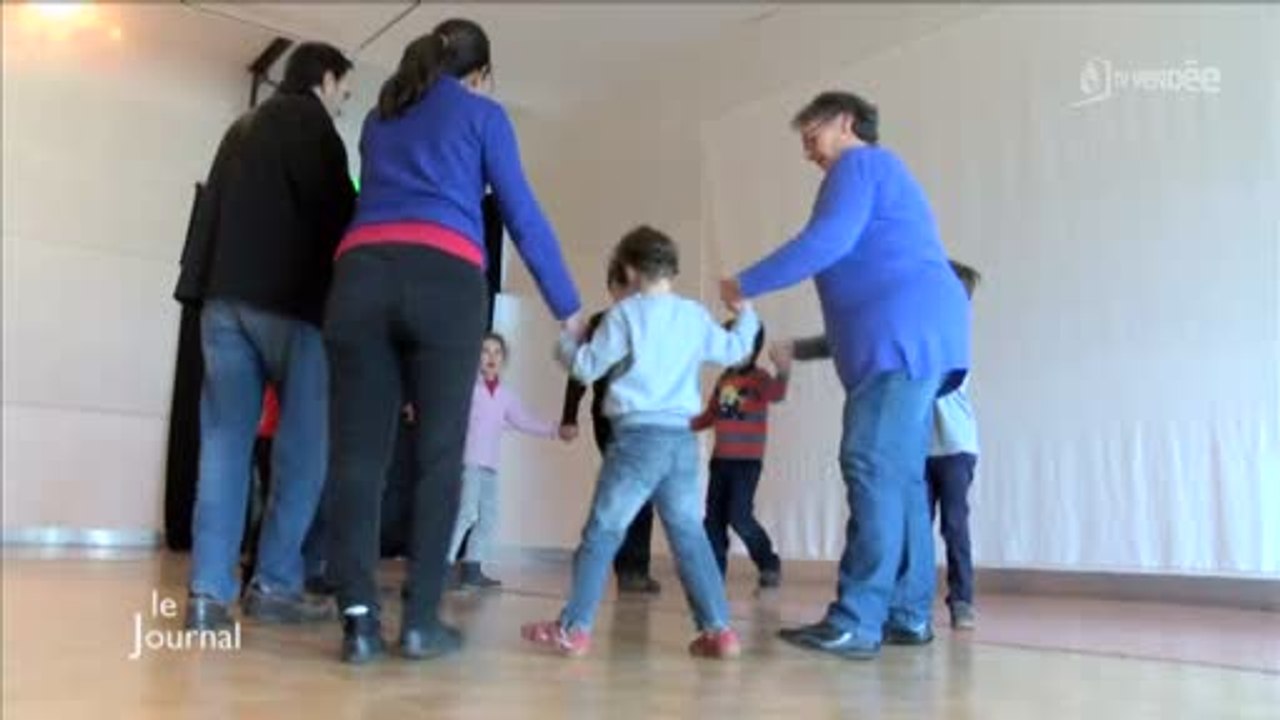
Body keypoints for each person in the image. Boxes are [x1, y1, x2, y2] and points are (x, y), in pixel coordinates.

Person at [323, 19, 583, 665]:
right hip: (445, 280)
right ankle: (419, 622)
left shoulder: (381, 118)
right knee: (443, 457)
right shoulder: (484, 113)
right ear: (482, 73)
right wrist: (568, 307)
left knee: (357, 457)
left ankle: (357, 622)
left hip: (359, 277)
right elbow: (520, 210)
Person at [721, 91, 970, 660]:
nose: (807, 147)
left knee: (872, 464)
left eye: (813, 131)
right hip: (919, 339)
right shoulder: (881, 174)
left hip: (902, 341)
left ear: (847, 122)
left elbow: (824, 243)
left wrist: (744, 284)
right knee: (902, 477)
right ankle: (907, 615)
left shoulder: (860, 164)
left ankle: (857, 619)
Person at [180, 42, 356, 632]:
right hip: (293, 309)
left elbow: (207, 215)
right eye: (344, 91)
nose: (343, 102)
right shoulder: (316, 130)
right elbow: (340, 223)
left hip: (222, 304)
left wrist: (197, 291)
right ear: (326, 80)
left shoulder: (240, 129)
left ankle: (207, 597)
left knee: (224, 448)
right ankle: (275, 584)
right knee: (303, 453)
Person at [522, 226, 755, 659]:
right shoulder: (693, 315)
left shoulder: (624, 315)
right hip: (682, 442)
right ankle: (718, 630)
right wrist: (745, 310)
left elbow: (587, 367)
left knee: (602, 532)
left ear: (627, 270)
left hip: (637, 440)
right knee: (689, 534)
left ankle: (574, 628)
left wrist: (565, 343)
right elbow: (737, 348)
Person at [560, 259, 662, 595]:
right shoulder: (601, 323)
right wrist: (569, 416)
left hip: (644, 421)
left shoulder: (651, 324)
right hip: (611, 421)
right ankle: (607, 561)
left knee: (637, 492)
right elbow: (580, 371)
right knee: (623, 490)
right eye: (624, 288)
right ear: (614, 290)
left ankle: (632, 569)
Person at [447, 332, 571, 589]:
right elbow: (448, 413)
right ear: (476, 357)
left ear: (503, 359)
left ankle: (472, 568)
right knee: (466, 513)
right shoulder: (468, 389)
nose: (491, 357)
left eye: (497, 352)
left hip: (490, 467)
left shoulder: (505, 395)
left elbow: (524, 420)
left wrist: (555, 429)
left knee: (488, 517)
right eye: (485, 351)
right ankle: (443, 567)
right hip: (469, 463)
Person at [691, 322, 789, 589]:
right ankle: (714, 573)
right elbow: (711, 415)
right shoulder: (724, 380)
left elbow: (777, 394)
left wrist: (783, 370)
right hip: (720, 460)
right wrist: (683, 425)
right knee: (713, 520)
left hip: (746, 463)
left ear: (753, 348)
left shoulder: (758, 378)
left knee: (739, 516)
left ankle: (768, 561)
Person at [928, 260, 982, 630]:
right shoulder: (926, 330)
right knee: (916, 525)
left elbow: (938, 382)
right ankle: (907, 600)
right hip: (921, 448)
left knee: (954, 523)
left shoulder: (954, 338)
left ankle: (961, 600)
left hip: (955, 448)